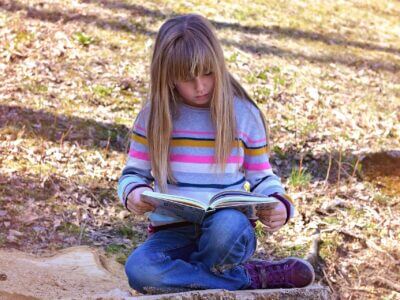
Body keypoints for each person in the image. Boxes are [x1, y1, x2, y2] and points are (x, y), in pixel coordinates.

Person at [117, 14, 314, 294]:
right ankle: (246, 278)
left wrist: (280, 204)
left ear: (219, 66)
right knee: (140, 269)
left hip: (229, 231)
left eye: (208, 73)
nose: (200, 86)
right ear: (168, 77)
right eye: (187, 78)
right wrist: (133, 194)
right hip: (173, 234)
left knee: (227, 226)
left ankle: (190, 278)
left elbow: (262, 177)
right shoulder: (153, 117)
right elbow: (132, 174)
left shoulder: (243, 115)